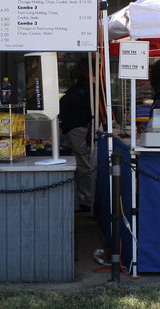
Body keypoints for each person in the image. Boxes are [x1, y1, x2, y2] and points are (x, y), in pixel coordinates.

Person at [58, 60, 94, 212]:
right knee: (73, 165)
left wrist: (88, 134)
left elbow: (93, 114)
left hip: (80, 130)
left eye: (82, 69)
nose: (79, 72)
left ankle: (86, 200)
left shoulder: (90, 89)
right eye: (78, 69)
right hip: (68, 129)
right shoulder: (76, 87)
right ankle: (78, 199)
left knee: (83, 165)